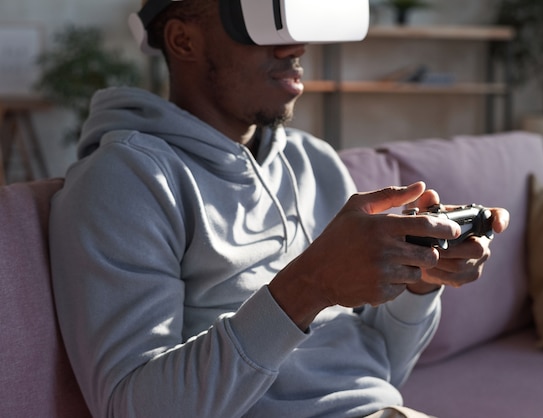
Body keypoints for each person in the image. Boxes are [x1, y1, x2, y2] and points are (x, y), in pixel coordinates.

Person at [49, 1, 509, 417]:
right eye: (261, 22)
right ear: (183, 40)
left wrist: (420, 284)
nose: (295, 45)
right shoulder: (128, 180)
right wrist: (309, 286)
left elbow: (379, 371)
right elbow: (130, 408)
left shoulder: (315, 163)